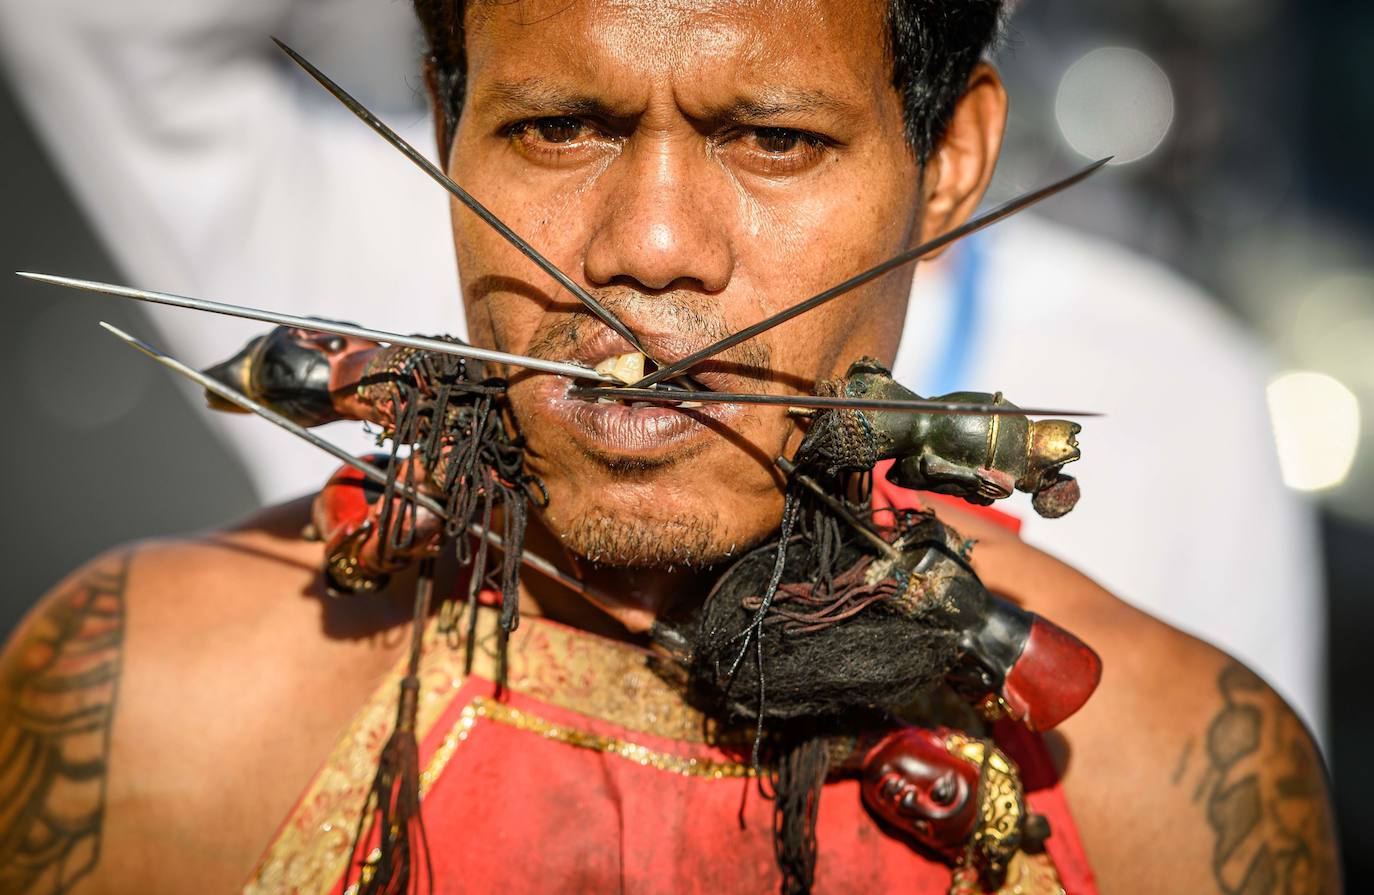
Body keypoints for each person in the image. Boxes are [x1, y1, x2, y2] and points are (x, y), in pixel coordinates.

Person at [0, 2, 1338, 894]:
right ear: (441, 129)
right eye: (556, 128)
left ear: (949, 162)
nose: (646, 249)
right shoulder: (157, 707)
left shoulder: (1163, 778)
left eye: (772, 141)